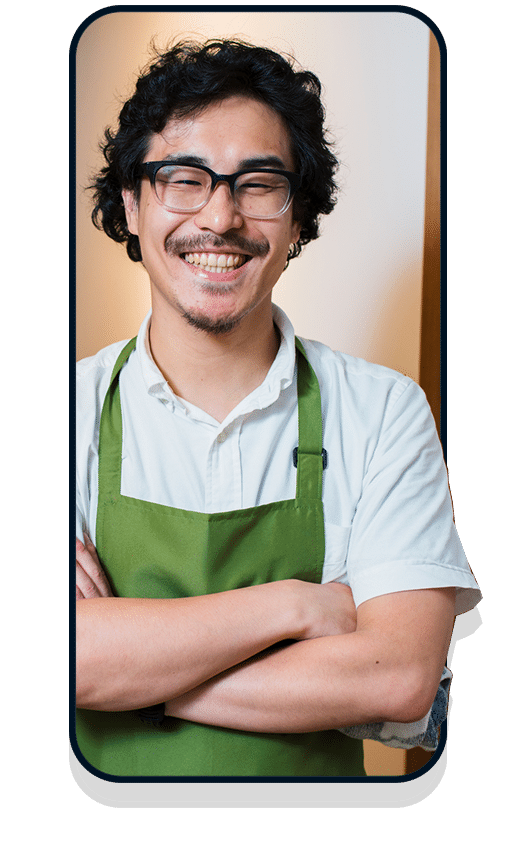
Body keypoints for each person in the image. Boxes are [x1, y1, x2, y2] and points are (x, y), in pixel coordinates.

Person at [75, 39, 481, 778]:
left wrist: (124, 675)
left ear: (298, 220)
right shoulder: (58, 414)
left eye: (259, 184)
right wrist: (296, 608)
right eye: (184, 180)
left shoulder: (382, 412)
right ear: (131, 205)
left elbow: (395, 680)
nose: (221, 218)